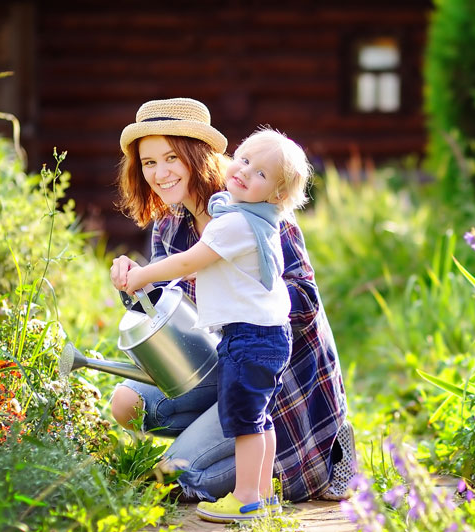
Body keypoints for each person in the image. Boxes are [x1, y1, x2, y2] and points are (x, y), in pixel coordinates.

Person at [107, 97, 351, 505]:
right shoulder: (170, 226)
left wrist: (223, 277)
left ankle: (270, 467)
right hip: (221, 364)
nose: (160, 173)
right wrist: (134, 283)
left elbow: (305, 302)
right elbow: (172, 318)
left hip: (274, 379)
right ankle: (207, 442)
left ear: (197, 155)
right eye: (149, 163)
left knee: (173, 477)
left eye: (171, 157)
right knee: (127, 403)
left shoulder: (256, 206)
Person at [123, 127, 304, 522]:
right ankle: (261, 494)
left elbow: (190, 262)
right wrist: (139, 284)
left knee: (244, 420)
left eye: (260, 174)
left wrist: (143, 275)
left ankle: (245, 497)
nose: (244, 172)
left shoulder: (236, 221)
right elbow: (173, 304)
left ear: (276, 194)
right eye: (244, 160)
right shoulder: (241, 214)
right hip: (256, 337)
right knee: (256, 418)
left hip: (253, 339)